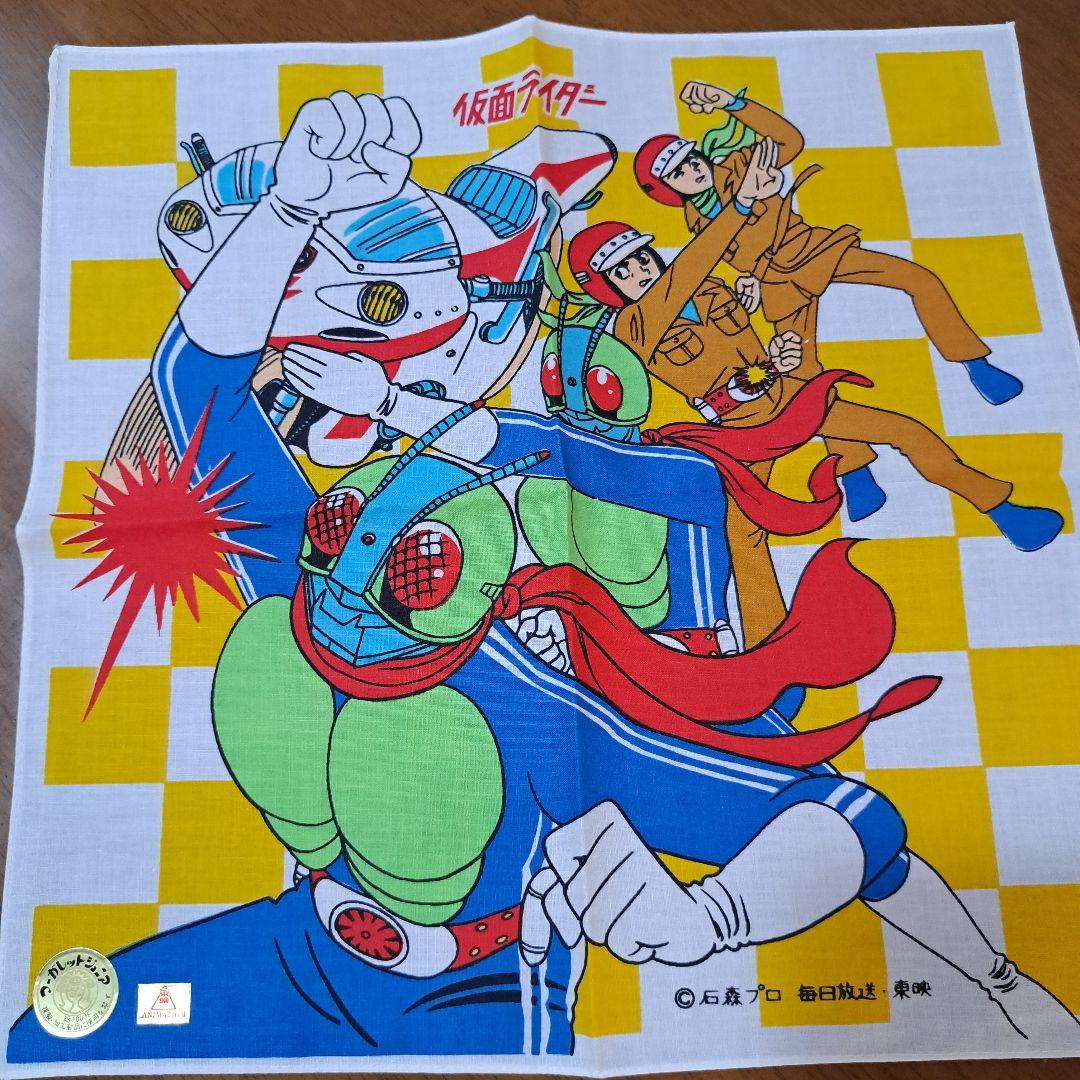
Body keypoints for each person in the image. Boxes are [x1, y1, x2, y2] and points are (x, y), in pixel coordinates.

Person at [634, 79, 1028, 520]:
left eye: (691, 160)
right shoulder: (698, 221)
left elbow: (789, 140)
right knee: (807, 381)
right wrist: (751, 227)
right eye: (678, 173)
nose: (692, 171)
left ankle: (976, 364)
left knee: (916, 277)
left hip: (816, 249)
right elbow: (738, 254)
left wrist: (732, 103)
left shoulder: (738, 164)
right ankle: (855, 472)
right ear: (668, 190)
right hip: (778, 283)